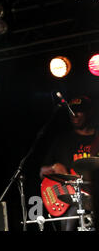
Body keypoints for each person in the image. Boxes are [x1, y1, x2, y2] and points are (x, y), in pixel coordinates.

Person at [39, 95, 99, 231]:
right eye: (71, 111)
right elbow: (42, 172)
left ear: (89, 112)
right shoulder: (62, 141)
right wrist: (54, 168)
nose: (74, 115)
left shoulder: (97, 138)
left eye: (79, 111)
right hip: (71, 200)